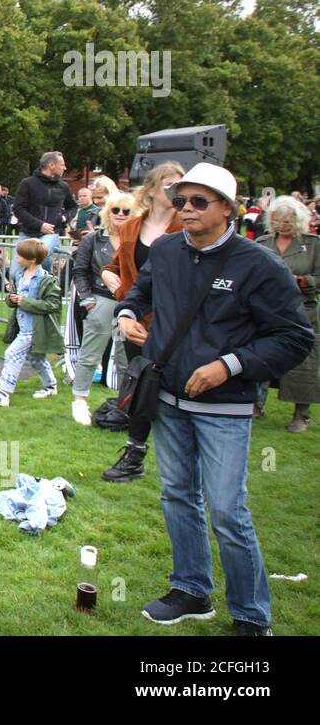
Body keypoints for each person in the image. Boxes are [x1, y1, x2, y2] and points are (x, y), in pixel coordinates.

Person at [116, 164, 312, 635]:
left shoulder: (260, 265)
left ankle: (250, 615)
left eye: (199, 202)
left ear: (228, 208)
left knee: (227, 510)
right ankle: (191, 590)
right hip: (166, 397)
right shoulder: (164, 251)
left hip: (224, 406)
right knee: (177, 496)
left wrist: (230, 364)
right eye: (181, 200)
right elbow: (139, 292)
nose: (186, 209)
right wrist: (126, 313)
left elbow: (293, 336)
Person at [98, 161, 185, 483]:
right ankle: (134, 455)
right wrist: (111, 280)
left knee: (176, 389)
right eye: (168, 185)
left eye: (181, 185)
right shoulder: (132, 227)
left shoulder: (185, 227)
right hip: (137, 323)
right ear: (150, 189)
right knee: (141, 388)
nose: (176, 192)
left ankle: (182, 462)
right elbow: (116, 267)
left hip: (175, 324)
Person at [255, 196, 319, 433]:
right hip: (266, 311)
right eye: (278, 220)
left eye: (288, 221)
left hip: (302, 311)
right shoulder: (262, 243)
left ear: (299, 221)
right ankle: (255, 405)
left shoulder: (314, 245)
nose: (282, 225)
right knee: (260, 355)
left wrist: (302, 281)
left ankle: (302, 414)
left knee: (304, 362)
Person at [68, 192, 133, 424]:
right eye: (116, 210)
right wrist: (87, 300)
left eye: (127, 211)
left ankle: (125, 405)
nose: (121, 215)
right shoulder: (94, 239)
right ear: (108, 212)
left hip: (131, 303)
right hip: (101, 298)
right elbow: (80, 270)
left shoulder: (138, 241)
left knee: (128, 358)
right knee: (90, 354)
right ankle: (79, 400)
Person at [0, 238, 62, 406]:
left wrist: (23, 301)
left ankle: (3, 393)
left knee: (12, 354)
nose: (17, 258)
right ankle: (51, 386)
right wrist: (12, 299)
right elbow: (15, 300)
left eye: (20, 255)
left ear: (32, 259)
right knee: (36, 358)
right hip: (22, 325)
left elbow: (52, 305)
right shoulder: (19, 274)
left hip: (34, 328)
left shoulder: (46, 280)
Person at [13, 152, 71, 254]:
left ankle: (44, 270)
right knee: (17, 267)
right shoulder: (27, 183)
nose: (65, 168)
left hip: (51, 233)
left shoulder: (63, 186)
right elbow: (18, 209)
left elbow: (73, 206)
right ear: (52, 165)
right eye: (62, 165)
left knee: (41, 253)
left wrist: (64, 217)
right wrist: (40, 225)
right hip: (27, 233)